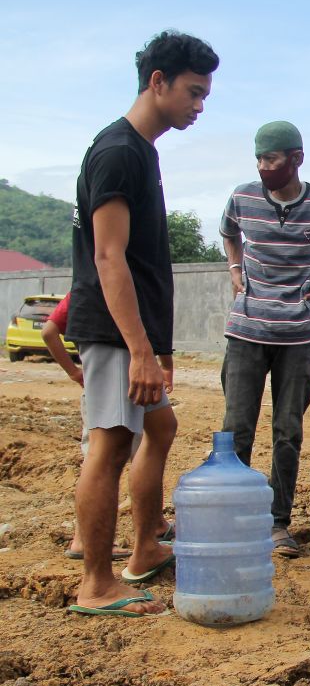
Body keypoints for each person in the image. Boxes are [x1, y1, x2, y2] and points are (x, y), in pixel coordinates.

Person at [65, 30, 218, 617]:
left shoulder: (141, 151)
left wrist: (159, 345)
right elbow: (110, 257)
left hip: (136, 334)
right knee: (110, 445)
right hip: (112, 332)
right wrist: (138, 349)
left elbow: (146, 259)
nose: (199, 106)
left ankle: (146, 543)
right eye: (193, 92)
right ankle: (98, 584)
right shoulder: (117, 151)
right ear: (158, 82)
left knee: (160, 429)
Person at [219, 121, 310, 557]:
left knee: (287, 432)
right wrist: (233, 268)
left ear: (296, 159)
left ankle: (278, 522)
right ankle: (236, 519)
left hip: (297, 335)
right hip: (245, 330)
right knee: (236, 429)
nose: (263, 167)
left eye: (271, 160)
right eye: (259, 160)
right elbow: (228, 233)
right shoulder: (242, 197)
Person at [43, 294, 173, 561]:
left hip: (123, 375)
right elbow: (48, 331)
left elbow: (49, 332)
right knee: (104, 456)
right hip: (117, 373)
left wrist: (75, 372)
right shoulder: (99, 287)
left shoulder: (83, 292)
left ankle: (154, 526)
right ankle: (84, 542)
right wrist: (74, 373)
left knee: (145, 445)